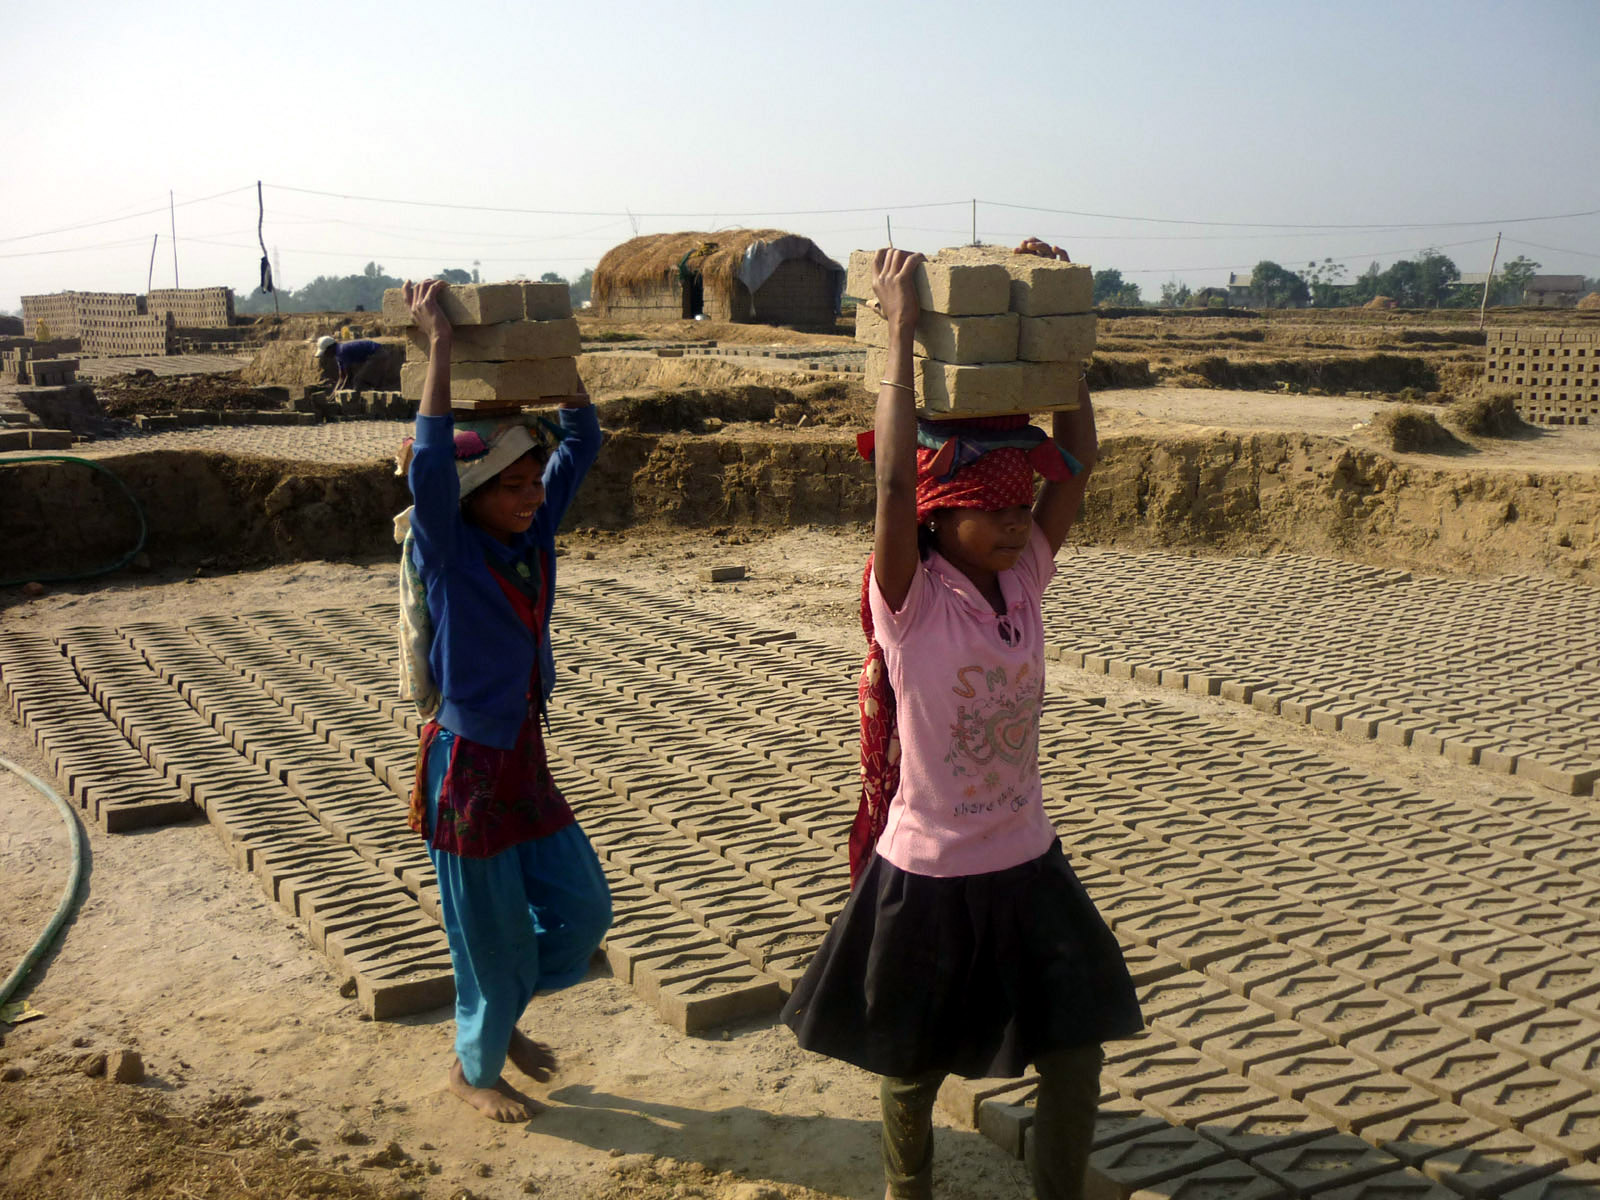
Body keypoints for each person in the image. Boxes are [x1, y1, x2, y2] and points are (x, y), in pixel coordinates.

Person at [782, 247, 1142, 1200]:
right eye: (991, 509)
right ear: (941, 521)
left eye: (1022, 502)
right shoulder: (911, 599)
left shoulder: (1024, 577)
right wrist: (901, 333)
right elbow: (893, 486)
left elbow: (1081, 461)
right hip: (932, 870)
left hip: (1026, 857)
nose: (1018, 519)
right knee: (913, 1063)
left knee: (1076, 1046)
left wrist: (1059, 347)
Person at [395, 277, 611, 1123]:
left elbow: (583, 442)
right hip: (468, 769)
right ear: (468, 495)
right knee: (492, 939)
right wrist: (442, 349)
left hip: (523, 754)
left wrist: (558, 368)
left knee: (584, 910)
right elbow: (430, 455)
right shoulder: (447, 549)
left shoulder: (533, 538)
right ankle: (475, 1070)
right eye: (511, 486)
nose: (529, 498)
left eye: (533, 484)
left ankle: (501, 1008)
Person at [315, 334, 385, 391]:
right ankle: (372, 389)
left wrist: (340, 392)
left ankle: (364, 399)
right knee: (358, 379)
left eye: (325, 352)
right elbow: (342, 376)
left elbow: (348, 376)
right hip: (373, 355)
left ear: (330, 348)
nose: (325, 355)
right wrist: (334, 393)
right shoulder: (338, 354)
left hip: (378, 354)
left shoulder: (341, 351)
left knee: (358, 380)